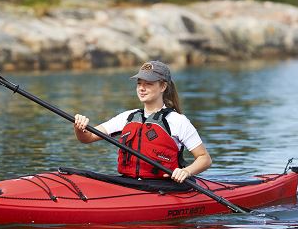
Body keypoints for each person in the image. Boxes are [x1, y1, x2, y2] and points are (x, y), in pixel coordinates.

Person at [74, 61, 212, 183]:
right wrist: (79, 128)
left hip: (166, 186)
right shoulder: (127, 117)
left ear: (163, 86)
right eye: (139, 83)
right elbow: (87, 138)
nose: (141, 88)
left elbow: (204, 159)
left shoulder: (177, 121)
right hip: (129, 182)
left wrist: (186, 172)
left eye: (148, 84)